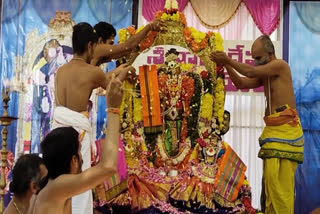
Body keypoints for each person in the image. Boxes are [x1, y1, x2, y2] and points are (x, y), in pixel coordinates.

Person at [52, 20, 164, 214]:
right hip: (76, 137)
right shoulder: (92, 71)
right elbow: (111, 88)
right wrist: (125, 72)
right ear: (90, 45)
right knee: (80, 185)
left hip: (56, 133)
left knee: (59, 182)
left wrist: (117, 71)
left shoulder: (60, 71)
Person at [210, 35, 304, 214]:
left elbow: (251, 73)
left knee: (280, 188)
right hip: (273, 132)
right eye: (253, 59)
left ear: (270, 53)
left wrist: (228, 59)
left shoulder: (279, 66)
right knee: (270, 184)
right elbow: (241, 83)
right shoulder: (266, 73)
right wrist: (227, 65)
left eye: (258, 58)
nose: (256, 63)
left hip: (285, 133)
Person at [31, 74, 123, 214]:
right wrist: (113, 109)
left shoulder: (51, 185)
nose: (83, 157)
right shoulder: (59, 185)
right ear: (74, 160)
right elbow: (108, 167)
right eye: (80, 152)